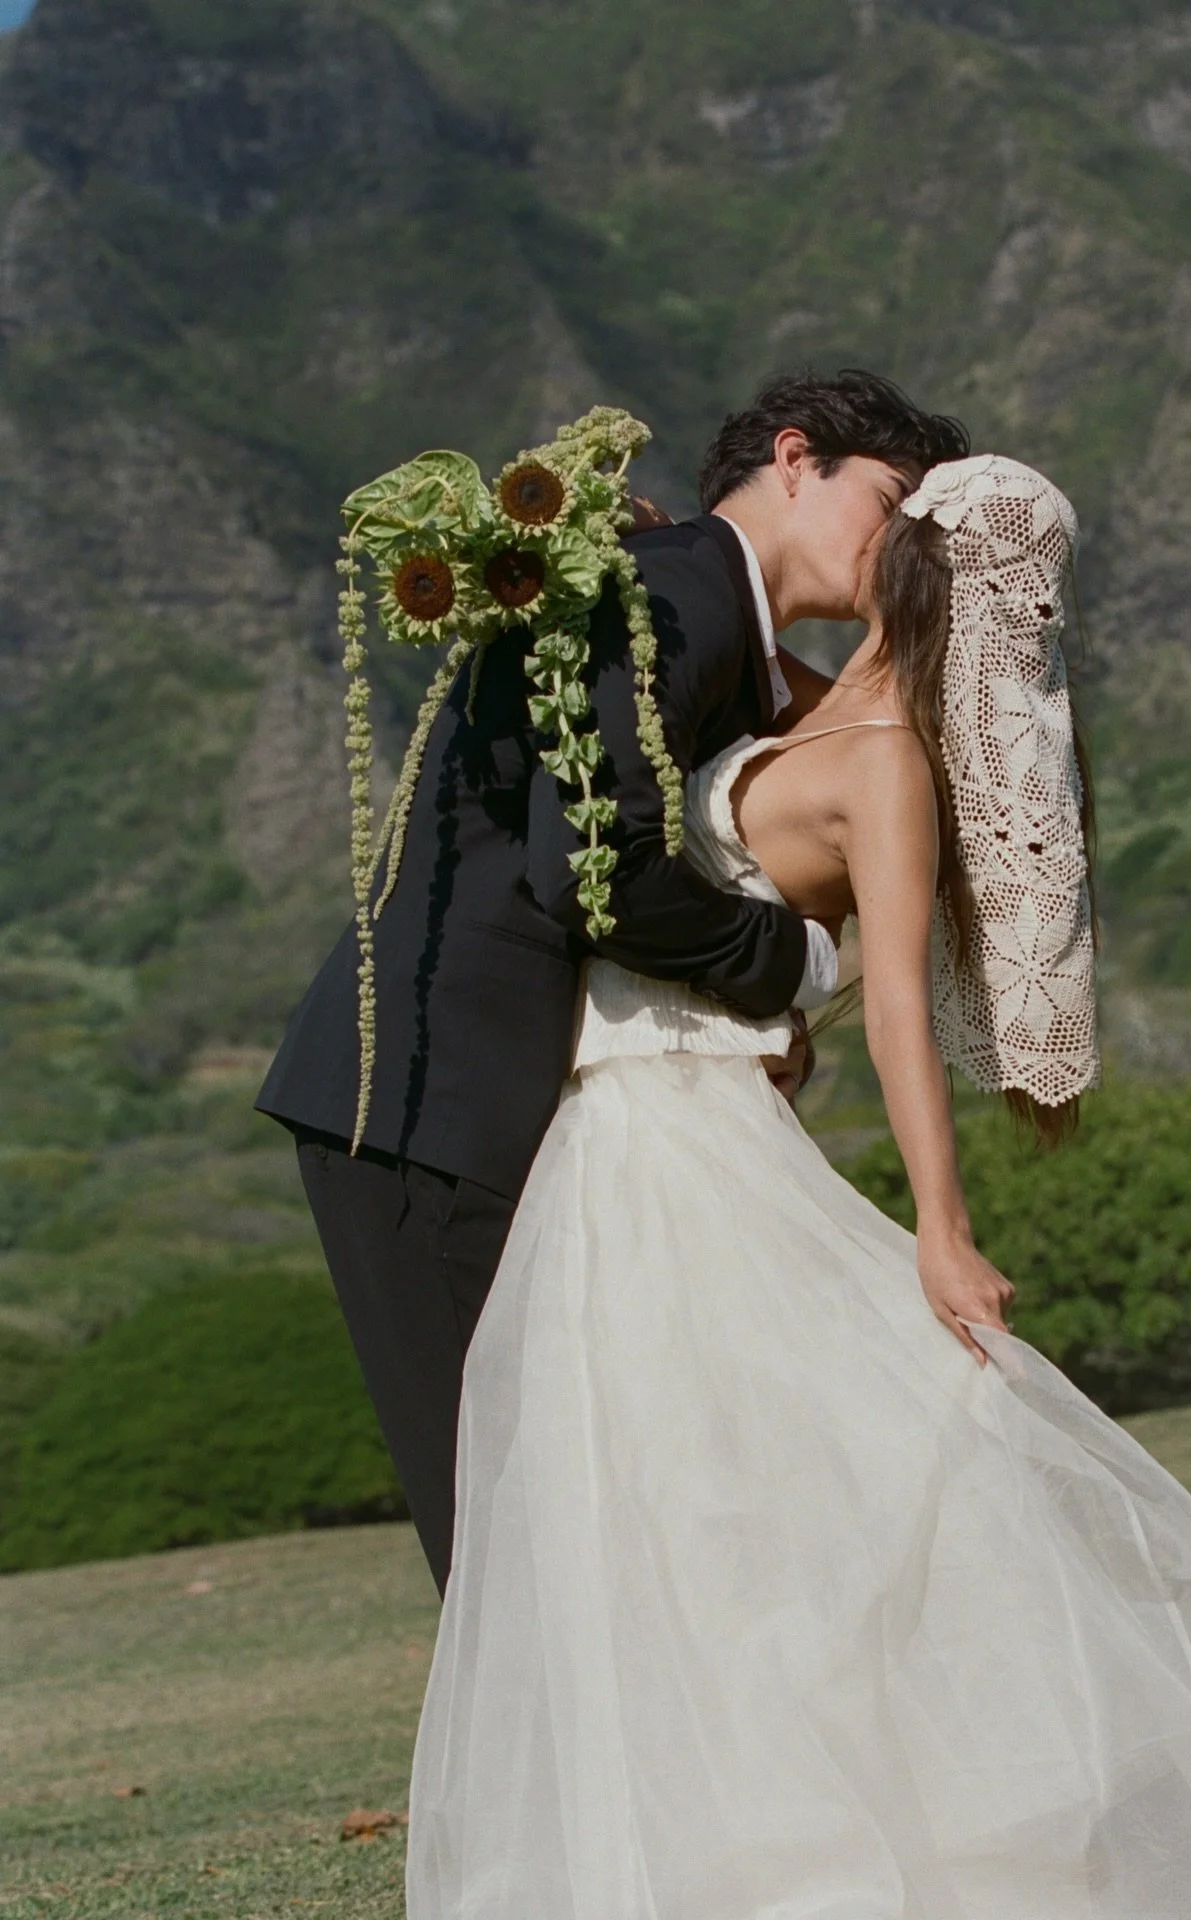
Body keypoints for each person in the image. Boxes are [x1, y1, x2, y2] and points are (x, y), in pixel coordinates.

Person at [405, 456, 1191, 1918]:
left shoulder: (888, 760)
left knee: (733, 1496)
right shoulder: (796, 698)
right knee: (662, 1502)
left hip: (674, 1134)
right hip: (604, 1127)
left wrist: (939, 1231)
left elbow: (892, 1003)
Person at [255, 371, 971, 1593]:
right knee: (504, 1543)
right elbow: (599, 871)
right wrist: (791, 964)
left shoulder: (704, 616)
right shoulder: (670, 593)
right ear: (795, 460)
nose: (897, 540)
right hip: (433, 1103)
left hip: (527, 1116)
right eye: (889, 498)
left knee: (584, 1530)